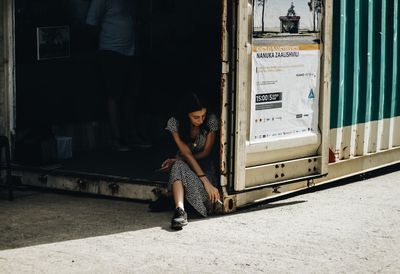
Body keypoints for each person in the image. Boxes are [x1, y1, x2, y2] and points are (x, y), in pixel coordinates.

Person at [86, 0, 149, 150]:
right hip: (111, 52)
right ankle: (116, 137)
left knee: (131, 94)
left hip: (132, 51)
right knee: (114, 95)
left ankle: (132, 135)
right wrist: (105, 41)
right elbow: (90, 24)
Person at [160, 93, 221, 229]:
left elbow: (206, 152)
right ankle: (180, 210)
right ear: (186, 114)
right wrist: (179, 160)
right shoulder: (174, 123)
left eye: (203, 116)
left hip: (205, 173)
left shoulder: (211, 121)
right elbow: (187, 154)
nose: (200, 120)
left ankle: (170, 198)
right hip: (186, 167)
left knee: (178, 164)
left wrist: (206, 182)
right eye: (196, 117)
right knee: (179, 165)